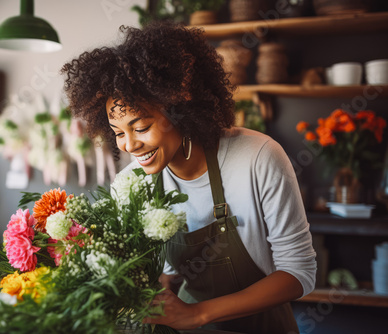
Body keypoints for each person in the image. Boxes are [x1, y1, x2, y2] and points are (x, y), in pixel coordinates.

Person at [61, 21, 316, 333]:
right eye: (118, 133)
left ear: (180, 109)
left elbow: (299, 272)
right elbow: (162, 275)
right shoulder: (132, 183)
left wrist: (198, 314)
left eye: (141, 127)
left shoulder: (258, 157)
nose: (129, 145)